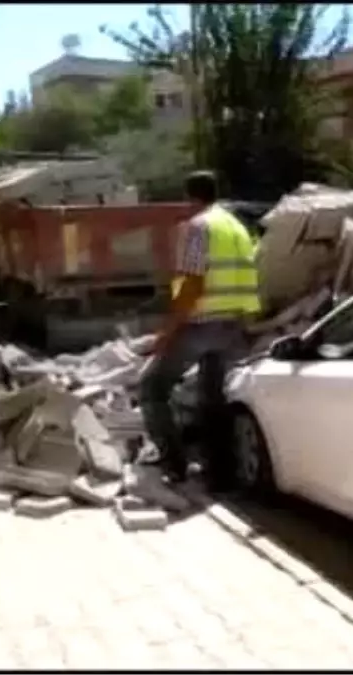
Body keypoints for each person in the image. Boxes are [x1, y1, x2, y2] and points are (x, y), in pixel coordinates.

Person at [139, 171, 260, 484]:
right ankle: (220, 476)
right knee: (214, 399)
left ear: (190, 196)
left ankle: (174, 466)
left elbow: (192, 283)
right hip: (232, 324)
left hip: (201, 324)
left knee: (153, 387)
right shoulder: (237, 228)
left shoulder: (197, 227)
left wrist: (168, 331)